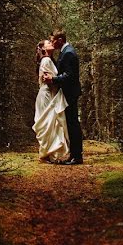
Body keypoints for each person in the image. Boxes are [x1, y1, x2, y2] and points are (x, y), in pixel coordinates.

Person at [45, 28, 83, 164]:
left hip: (70, 93)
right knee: (70, 123)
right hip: (68, 93)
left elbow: (69, 75)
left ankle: (77, 156)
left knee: (73, 124)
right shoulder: (64, 52)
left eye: (53, 41)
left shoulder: (68, 53)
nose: (51, 43)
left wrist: (53, 80)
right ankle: (73, 154)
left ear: (60, 40)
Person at [32, 39, 70, 163]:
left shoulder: (48, 60)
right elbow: (53, 78)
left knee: (51, 122)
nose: (51, 44)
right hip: (47, 94)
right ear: (43, 49)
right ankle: (46, 154)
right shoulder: (46, 60)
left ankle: (48, 153)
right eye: (48, 43)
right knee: (48, 122)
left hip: (48, 93)